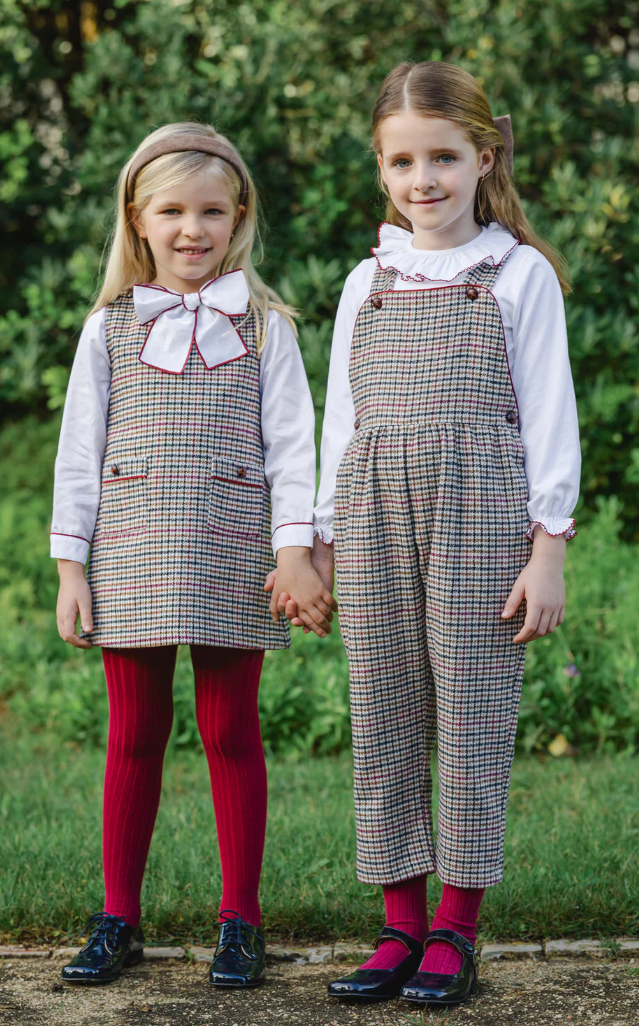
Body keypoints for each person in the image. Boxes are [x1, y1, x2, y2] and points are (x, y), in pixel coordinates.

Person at [278, 61, 580, 1007]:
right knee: (386, 710)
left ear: (483, 159)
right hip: (372, 513)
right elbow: (341, 419)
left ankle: (457, 925)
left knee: (475, 713)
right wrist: (316, 540)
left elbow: (550, 416)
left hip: (484, 511)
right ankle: (399, 924)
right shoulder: (366, 281)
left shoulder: (519, 275)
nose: (425, 181)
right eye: (403, 161)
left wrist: (550, 548)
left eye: (444, 158)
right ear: (380, 168)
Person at [51, 121, 334, 988]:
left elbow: (294, 447)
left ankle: (240, 920)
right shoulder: (106, 332)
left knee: (230, 732)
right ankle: (117, 919)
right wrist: (71, 568)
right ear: (138, 218)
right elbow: (78, 450)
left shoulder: (265, 325)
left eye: (211, 211)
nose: (191, 230)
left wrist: (294, 553)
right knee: (134, 737)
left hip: (231, 549)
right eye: (171, 210)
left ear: (238, 215)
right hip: (133, 548)